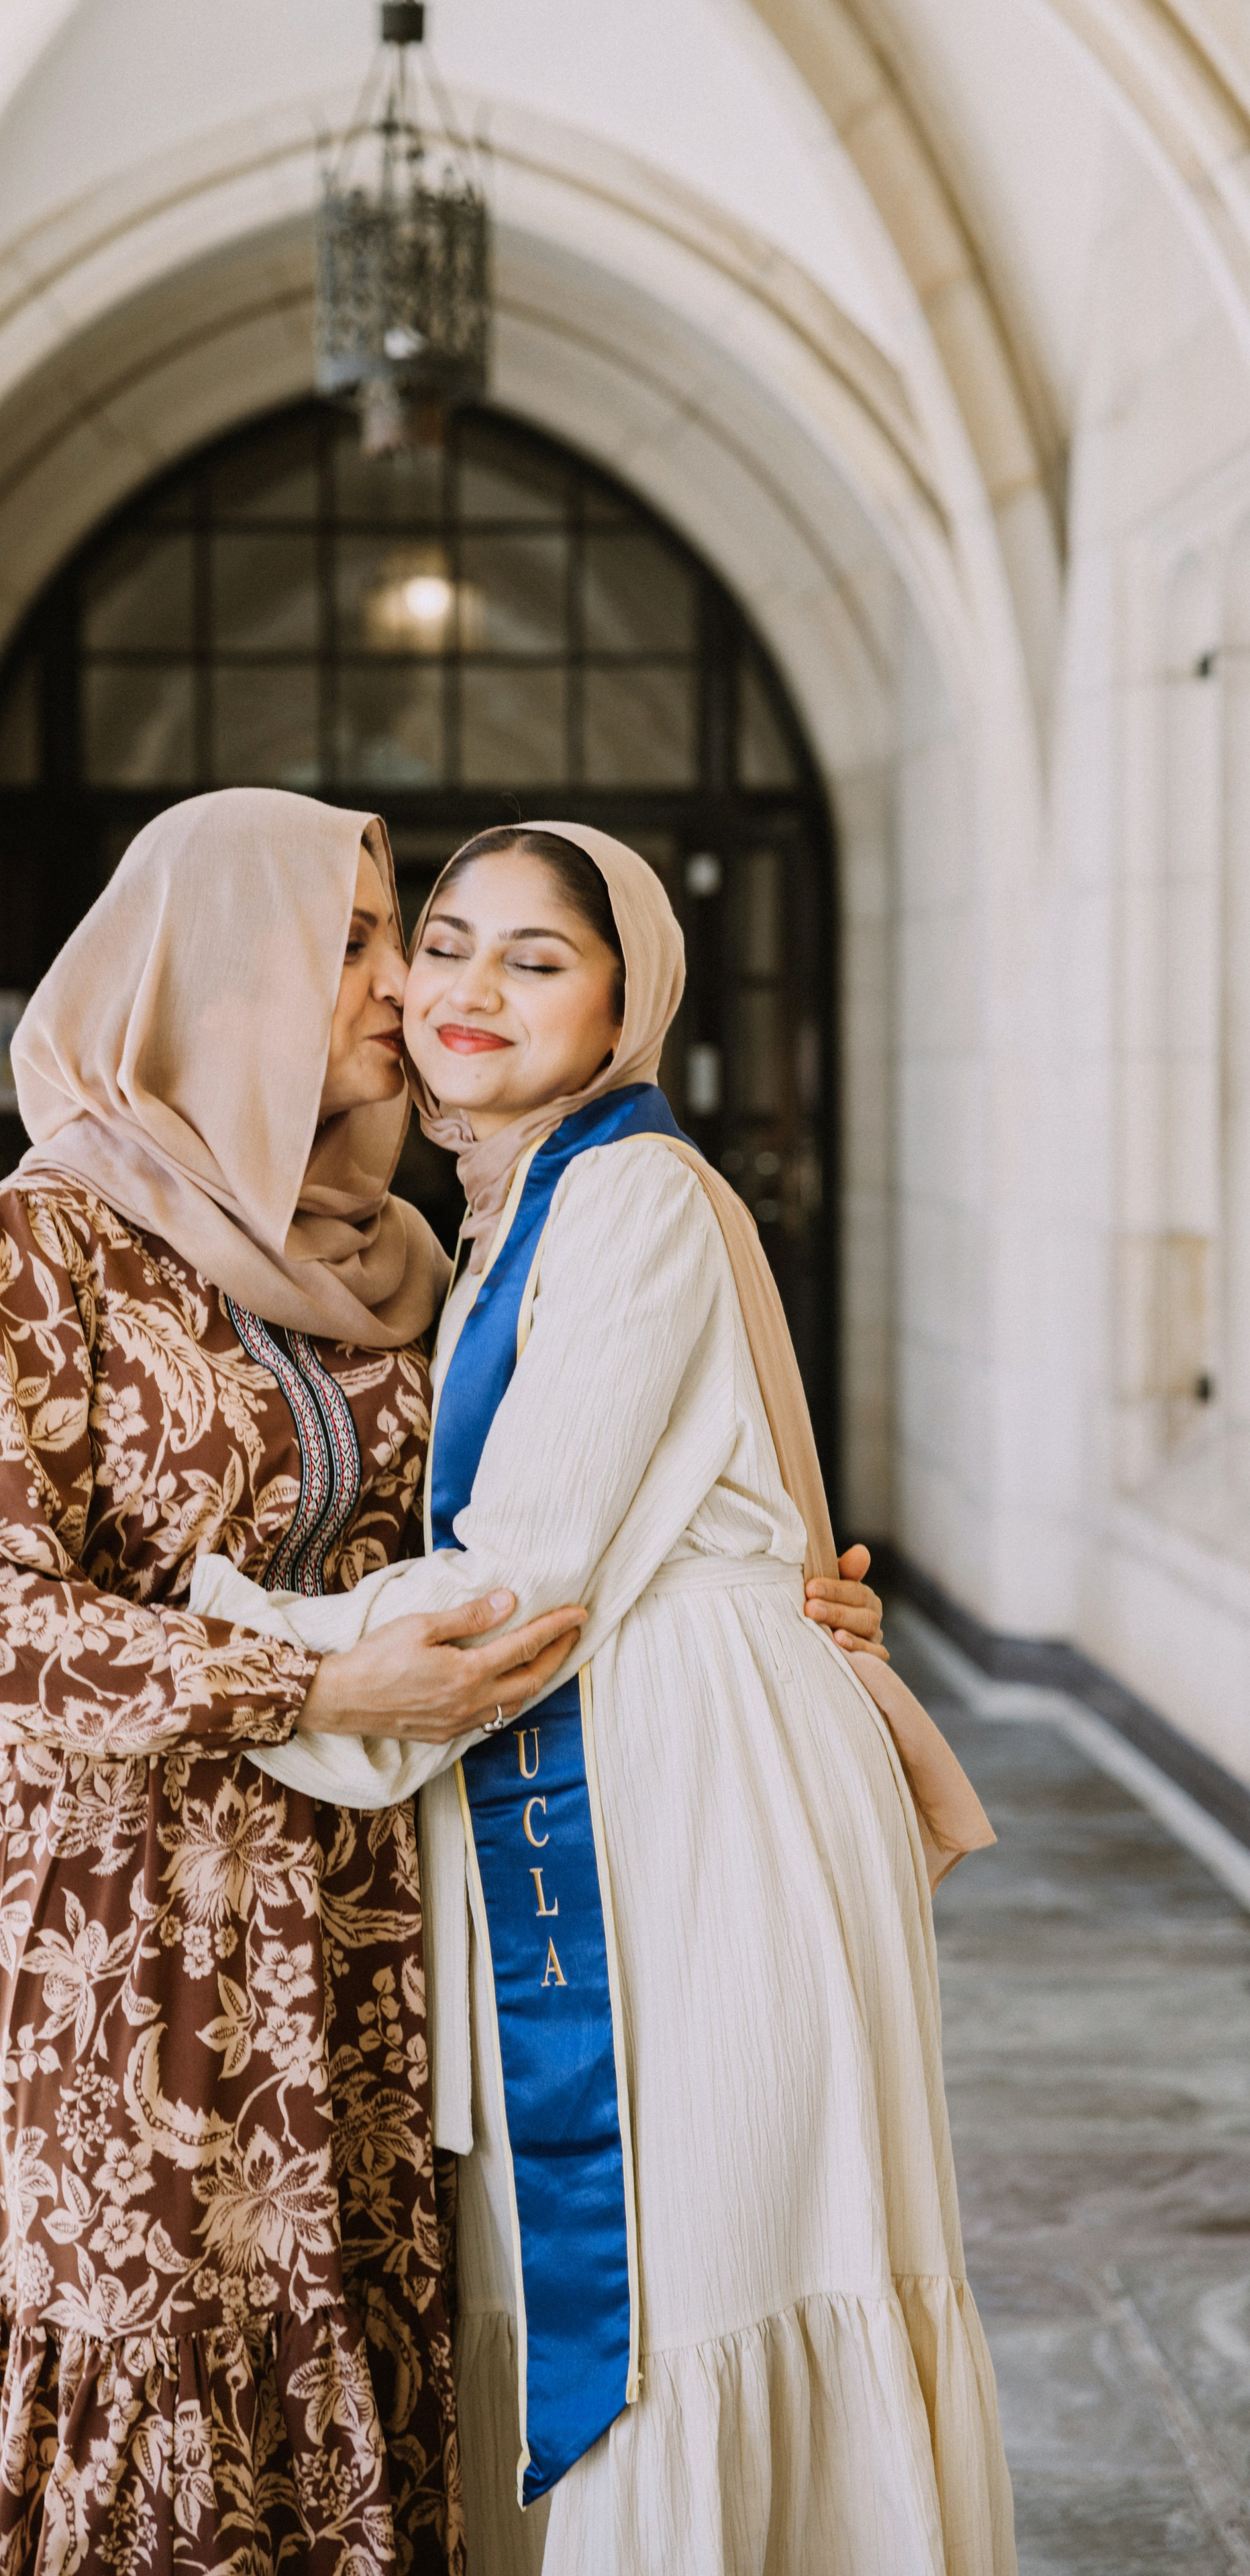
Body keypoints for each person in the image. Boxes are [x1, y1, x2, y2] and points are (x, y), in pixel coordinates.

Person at [193, 822, 1017, 2575]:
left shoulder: (633, 1189)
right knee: (653, 2255)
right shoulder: (511, 1206)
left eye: (537, 958)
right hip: (632, 1746)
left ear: (628, 998)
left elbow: (534, 1565)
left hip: (700, 1777)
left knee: (706, 2253)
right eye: (447, 939)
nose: (470, 988)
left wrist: (240, 1637)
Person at [0, 790, 596, 2576]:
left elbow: (521, 1526)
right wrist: (304, 1689)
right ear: (220, 975)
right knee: (139, 2331)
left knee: (344, 2313)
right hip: (122, 1909)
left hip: (360, 1908)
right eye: (354, 941)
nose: (400, 985)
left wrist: (774, 1598)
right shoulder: (41, 1240)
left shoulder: (396, 1254)